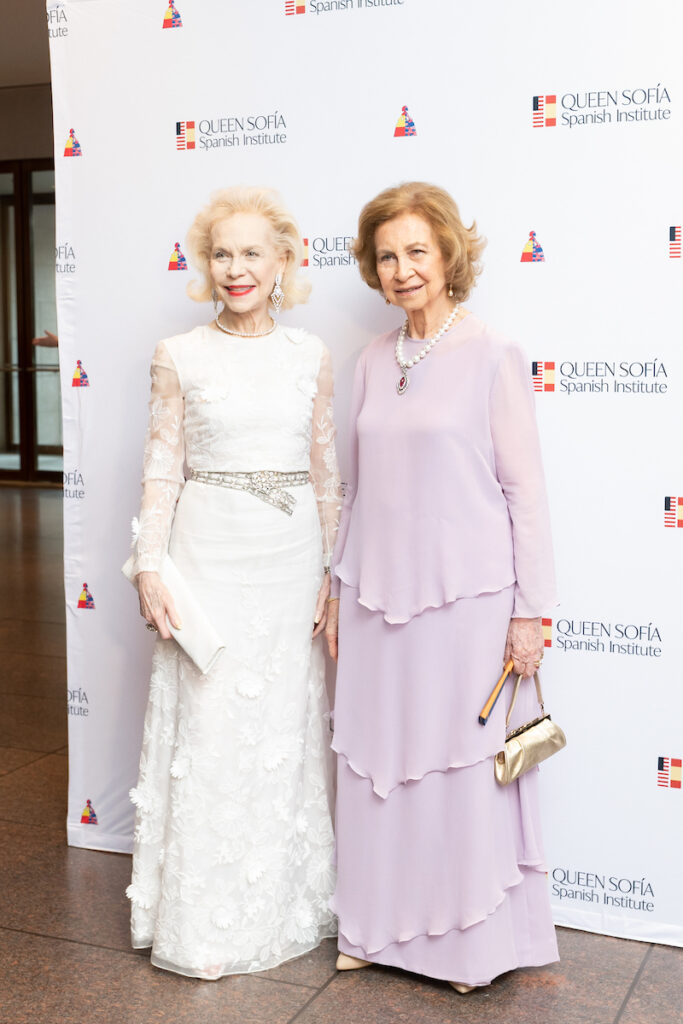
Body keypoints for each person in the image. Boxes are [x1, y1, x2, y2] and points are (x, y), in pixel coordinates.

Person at [325, 182, 559, 992]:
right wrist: (335, 587)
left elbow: (525, 492)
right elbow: (354, 490)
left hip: (468, 603)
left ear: (448, 254)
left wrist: (529, 613)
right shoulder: (368, 360)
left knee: (458, 770)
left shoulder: (492, 353)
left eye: (416, 251)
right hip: (374, 597)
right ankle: (372, 930)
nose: (402, 269)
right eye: (387, 256)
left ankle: (465, 947)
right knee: (377, 764)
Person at [124, 186, 341, 979]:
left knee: (281, 731)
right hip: (206, 558)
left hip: (289, 561)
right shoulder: (178, 353)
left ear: (282, 262)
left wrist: (332, 573)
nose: (236, 268)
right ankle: (201, 922)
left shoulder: (310, 354)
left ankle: (284, 907)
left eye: (252, 252)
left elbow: (325, 473)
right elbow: (161, 469)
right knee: (210, 728)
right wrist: (150, 566)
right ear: (205, 263)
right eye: (222, 253)